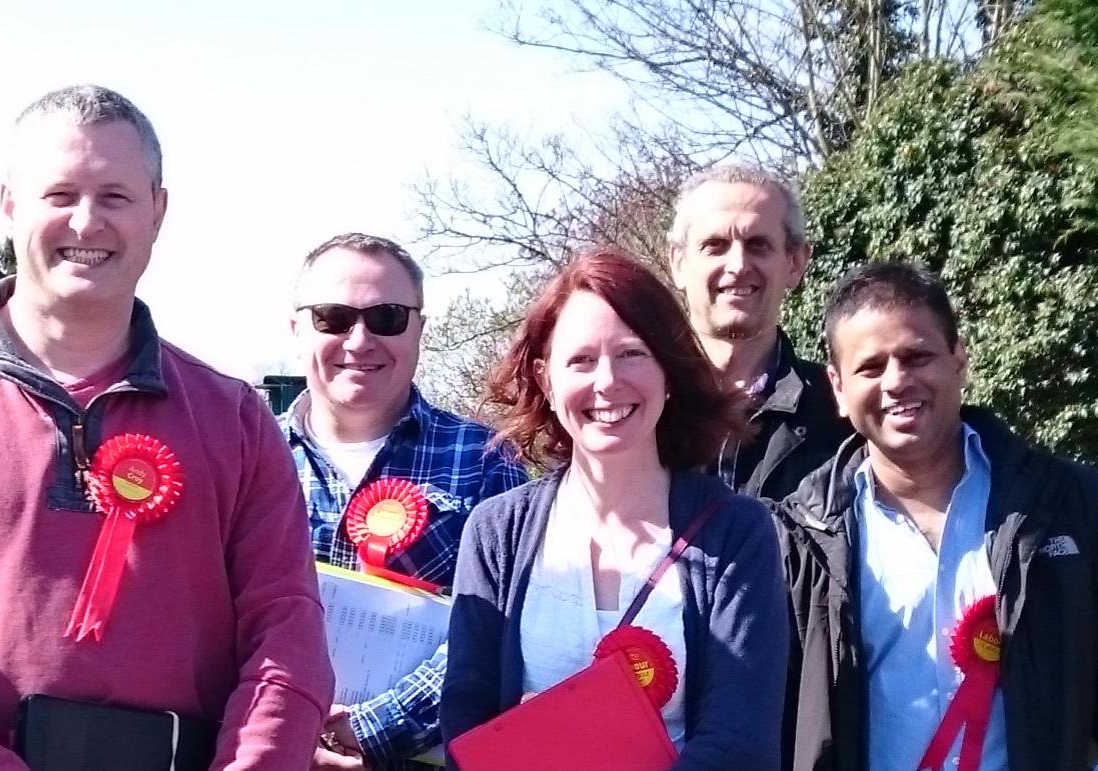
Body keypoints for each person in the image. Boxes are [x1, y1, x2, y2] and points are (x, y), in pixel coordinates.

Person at [0, 84, 334, 770]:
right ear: (10, 204)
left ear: (158, 210)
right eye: (60, 194)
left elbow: (288, 640)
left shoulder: (237, 419)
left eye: (116, 196)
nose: (87, 222)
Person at [775, 262, 1098, 770]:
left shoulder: (1072, 508)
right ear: (838, 387)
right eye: (871, 367)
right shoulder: (798, 541)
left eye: (917, 356)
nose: (897, 381)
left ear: (959, 359)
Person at [442, 248, 788, 767]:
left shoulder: (737, 533)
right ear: (545, 379)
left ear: (668, 371)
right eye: (581, 360)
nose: (607, 382)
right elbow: (466, 729)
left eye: (632, 354)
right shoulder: (497, 532)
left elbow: (740, 745)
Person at [279, 233, 527, 771]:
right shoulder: (245, 456)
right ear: (297, 330)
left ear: (420, 329)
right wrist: (283, 722)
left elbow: (502, 626)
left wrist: (373, 731)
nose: (360, 339)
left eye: (387, 317)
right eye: (333, 317)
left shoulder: (489, 461)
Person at [666, 162, 852, 501]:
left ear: (795, 263)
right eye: (715, 245)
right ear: (678, 262)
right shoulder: (638, 410)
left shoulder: (845, 415)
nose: (737, 265)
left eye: (758, 245)